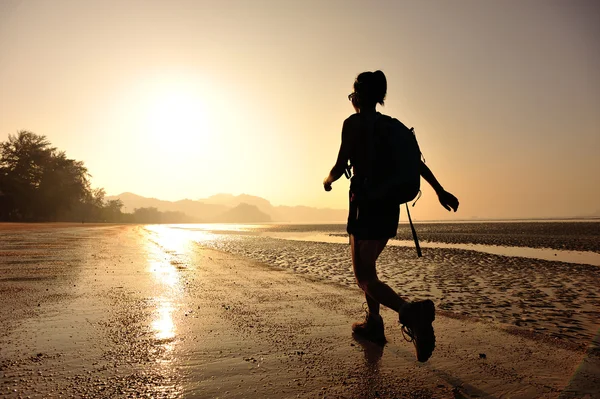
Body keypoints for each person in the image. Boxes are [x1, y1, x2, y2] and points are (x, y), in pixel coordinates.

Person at [323, 70, 459, 362]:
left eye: (352, 95)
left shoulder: (353, 124)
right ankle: (374, 323)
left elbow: (339, 164)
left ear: (357, 96)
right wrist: (440, 191)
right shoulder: (393, 127)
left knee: (364, 277)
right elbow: (417, 165)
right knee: (370, 268)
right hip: (390, 207)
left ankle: (410, 313)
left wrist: (328, 180)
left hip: (364, 205)